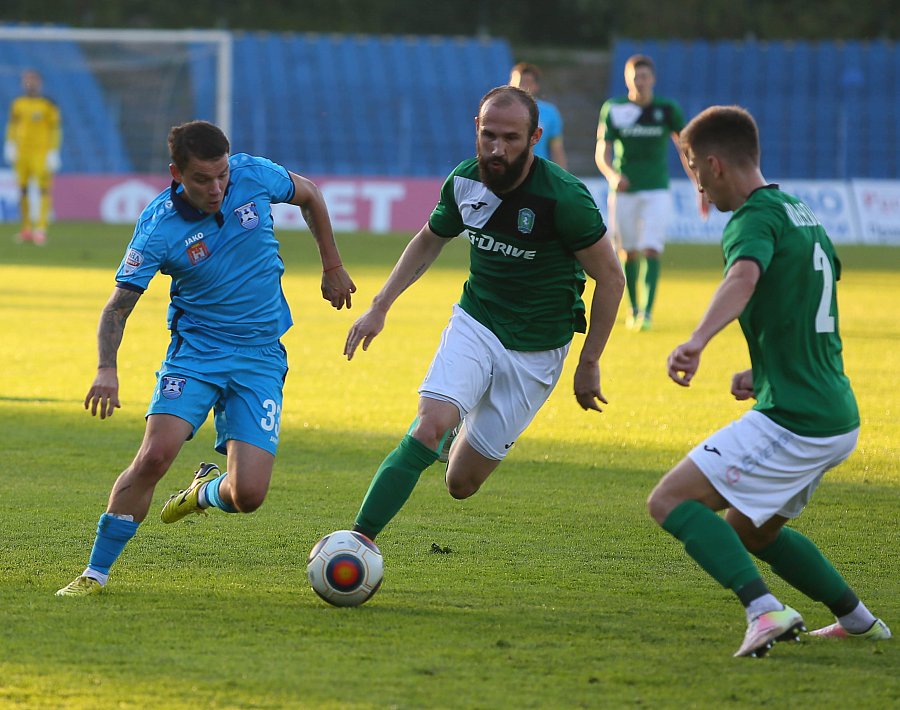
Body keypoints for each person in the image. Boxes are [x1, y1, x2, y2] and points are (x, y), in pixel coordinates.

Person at [56, 120, 355, 596]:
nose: (216, 188)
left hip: (260, 356)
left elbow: (311, 196)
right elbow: (117, 308)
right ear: (176, 174)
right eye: (202, 179)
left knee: (248, 495)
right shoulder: (158, 227)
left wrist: (332, 265)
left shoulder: (253, 175)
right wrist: (106, 369)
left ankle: (203, 492)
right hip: (197, 354)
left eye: (222, 175)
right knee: (154, 456)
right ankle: (94, 573)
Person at [647, 105, 891, 657]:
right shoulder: (800, 213)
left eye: (694, 170)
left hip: (796, 418)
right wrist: (765, 370)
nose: (697, 185)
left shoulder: (752, 219)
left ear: (714, 164)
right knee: (752, 530)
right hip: (832, 411)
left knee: (669, 500)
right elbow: (812, 305)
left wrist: (698, 339)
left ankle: (764, 611)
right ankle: (858, 621)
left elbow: (743, 276)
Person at [343, 85, 624, 542]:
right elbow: (429, 239)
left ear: (534, 138)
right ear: (476, 128)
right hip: (477, 322)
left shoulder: (565, 199)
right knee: (428, 426)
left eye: (511, 138)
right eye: (489, 135)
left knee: (461, 484)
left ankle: (454, 438)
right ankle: (357, 541)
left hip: (538, 348)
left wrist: (589, 361)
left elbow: (611, 279)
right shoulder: (465, 181)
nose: (497, 148)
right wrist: (380, 306)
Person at [596, 54, 706, 331]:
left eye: (644, 77)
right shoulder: (613, 109)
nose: (640, 82)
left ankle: (646, 313)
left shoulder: (667, 109)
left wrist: (700, 184)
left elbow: (685, 150)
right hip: (624, 191)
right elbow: (602, 153)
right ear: (627, 79)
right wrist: (613, 175)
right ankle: (633, 308)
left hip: (657, 189)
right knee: (628, 252)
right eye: (635, 77)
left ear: (653, 79)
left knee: (651, 248)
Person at [4, 69, 62, 246]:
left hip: (41, 153)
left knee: (43, 190)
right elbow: (12, 125)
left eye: (32, 80)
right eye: (26, 80)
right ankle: (27, 229)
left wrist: (53, 151)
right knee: (23, 190)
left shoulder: (48, 105)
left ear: (39, 83)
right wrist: (10, 143)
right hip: (22, 153)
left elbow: (55, 129)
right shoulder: (17, 103)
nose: (29, 83)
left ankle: (41, 229)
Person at [509, 62, 567, 169]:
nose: (521, 86)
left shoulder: (550, 113)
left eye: (527, 82)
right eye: (518, 81)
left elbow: (557, 149)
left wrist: (562, 176)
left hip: (537, 172)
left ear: (536, 86)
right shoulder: (501, 111)